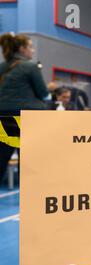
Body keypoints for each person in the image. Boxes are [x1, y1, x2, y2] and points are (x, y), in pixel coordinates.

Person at [0, 33, 48, 183]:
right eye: (31, 47)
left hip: (4, 115)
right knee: (29, 162)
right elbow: (43, 93)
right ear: (22, 49)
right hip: (27, 117)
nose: (33, 50)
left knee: (2, 157)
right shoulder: (30, 67)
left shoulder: (2, 67)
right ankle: (30, 201)